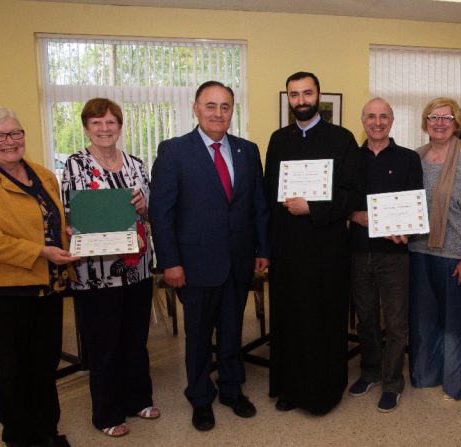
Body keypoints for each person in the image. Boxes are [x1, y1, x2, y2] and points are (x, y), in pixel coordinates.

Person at [0, 106, 78, 447]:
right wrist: (39, 251)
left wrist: (68, 235)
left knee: (44, 364)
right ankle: (20, 438)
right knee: (12, 368)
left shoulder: (42, 174)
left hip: (48, 287)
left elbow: (51, 221)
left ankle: (48, 432)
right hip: (1, 291)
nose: (10, 141)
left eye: (16, 133)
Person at [149, 81, 269, 432]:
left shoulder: (248, 150)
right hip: (194, 264)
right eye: (211, 105)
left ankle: (232, 389)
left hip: (238, 261)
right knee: (198, 337)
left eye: (225, 106)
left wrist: (263, 248)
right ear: (196, 108)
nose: (218, 113)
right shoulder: (174, 151)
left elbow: (257, 205)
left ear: (233, 110)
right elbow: (161, 212)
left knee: (232, 332)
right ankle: (200, 397)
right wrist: (170, 261)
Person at [265, 71, 363, 415]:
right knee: (290, 316)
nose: (301, 100)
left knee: (323, 318)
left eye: (307, 93)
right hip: (288, 247)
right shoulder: (278, 139)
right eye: (294, 95)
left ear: (318, 95)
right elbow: (268, 194)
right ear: (288, 99)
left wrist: (313, 206)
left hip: (326, 247)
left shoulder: (342, 139)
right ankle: (290, 388)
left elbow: (351, 194)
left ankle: (324, 392)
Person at [60, 98, 158, 437]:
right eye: (97, 123)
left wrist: (145, 206)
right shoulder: (76, 164)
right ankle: (107, 413)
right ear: (87, 127)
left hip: (138, 267)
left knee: (135, 339)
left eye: (111, 122)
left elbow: (149, 213)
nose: (105, 128)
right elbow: (71, 215)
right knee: (104, 344)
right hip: (97, 272)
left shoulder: (136, 163)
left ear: (120, 126)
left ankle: (138, 398)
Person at [407, 97, 461, 401]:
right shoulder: (415, 157)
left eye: (447, 118)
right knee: (423, 321)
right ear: (425, 122)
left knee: (456, 325)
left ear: (457, 124)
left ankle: (454, 384)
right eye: (433, 117)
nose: (439, 123)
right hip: (418, 252)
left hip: (455, 256)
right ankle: (425, 375)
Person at [347, 98, 423, 412]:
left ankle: (392, 382)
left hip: (394, 254)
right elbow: (340, 200)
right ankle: (370, 371)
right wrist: (354, 214)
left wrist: (404, 225)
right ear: (362, 120)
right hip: (358, 251)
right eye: (371, 116)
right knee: (365, 319)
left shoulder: (408, 159)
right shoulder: (349, 158)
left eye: (383, 116)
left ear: (392, 120)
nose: (377, 122)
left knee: (395, 323)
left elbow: (415, 204)